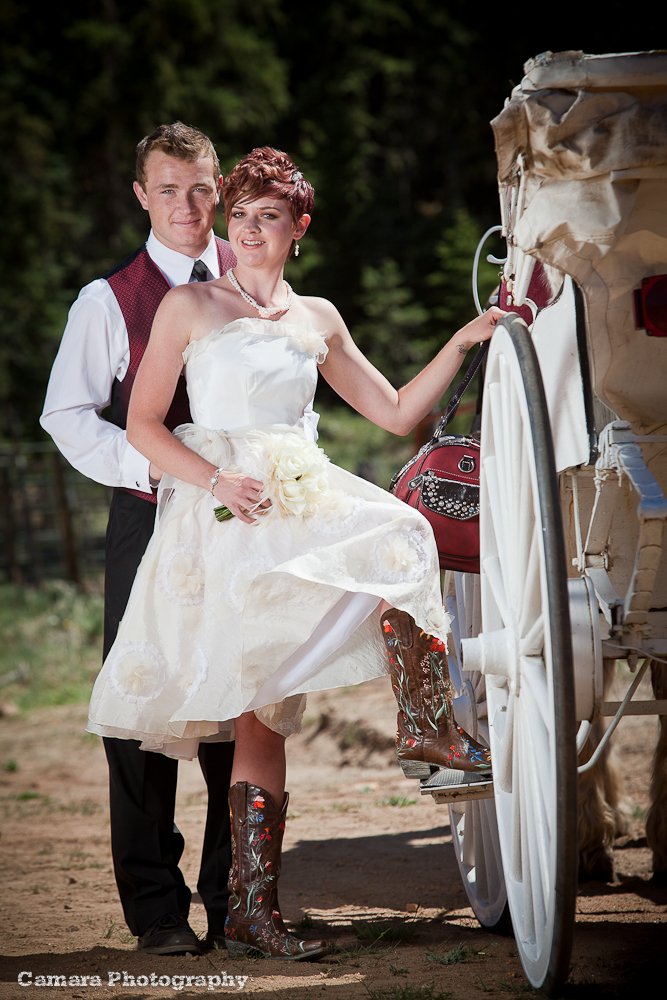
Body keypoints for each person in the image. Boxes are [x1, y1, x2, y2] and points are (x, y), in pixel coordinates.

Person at [85, 145, 503, 961]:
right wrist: (214, 481)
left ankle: (422, 727)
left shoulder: (317, 317)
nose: (246, 231)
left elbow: (390, 412)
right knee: (256, 711)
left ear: (296, 229)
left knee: (402, 533)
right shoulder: (190, 306)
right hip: (227, 510)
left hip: (301, 490)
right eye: (236, 216)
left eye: (265, 218)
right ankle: (249, 912)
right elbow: (140, 425)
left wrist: (465, 338)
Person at [40, 123, 245, 955]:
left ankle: (237, 895)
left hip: (242, 514)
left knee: (242, 694)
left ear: (219, 187)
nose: (186, 206)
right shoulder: (108, 299)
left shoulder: (250, 269)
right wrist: (150, 468)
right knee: (142, 704)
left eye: (199, 188)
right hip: (149, 509)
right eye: (167, 189)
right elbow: (64, 414)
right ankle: (156, 911)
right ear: (140, 195)